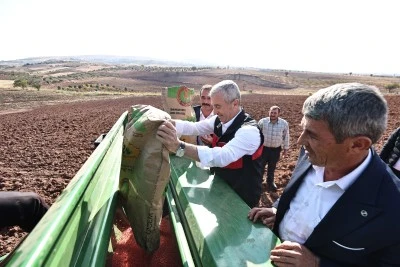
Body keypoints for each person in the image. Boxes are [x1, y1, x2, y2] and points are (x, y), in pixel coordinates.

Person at [248, 83, 400, 266]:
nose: (300, 141)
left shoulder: (392, 205)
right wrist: (279, 210)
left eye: (312, 135)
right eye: (303, 128)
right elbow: (301, 192)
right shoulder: (313, 154)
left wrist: (317, 263)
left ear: (358, 144)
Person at [157, 80, 264, 208]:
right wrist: (163, 122)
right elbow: (193, 127)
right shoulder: (218, 120)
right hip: (221, 188)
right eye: (214, 106)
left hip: (242, 199)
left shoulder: (249, 131)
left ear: (235, 103)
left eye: (218, 106)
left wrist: (179, 147)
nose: (214, 111)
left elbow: (222, 157)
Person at [258, 105, 290, 192]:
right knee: (260, 167)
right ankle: (258, 183)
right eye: (271, 112)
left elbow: (286, 136)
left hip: (276, 150)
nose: (272, 114)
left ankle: (270, 183)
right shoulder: (262, 122)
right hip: (263, 149)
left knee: (272, 167)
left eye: (275, 113)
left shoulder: (284, 124)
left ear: (278, 114)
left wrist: (285, 149)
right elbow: (257, 135)